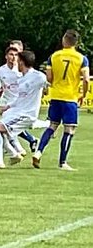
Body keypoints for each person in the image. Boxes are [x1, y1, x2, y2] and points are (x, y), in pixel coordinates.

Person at [32, 30, 90, 170]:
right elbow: (86, 79)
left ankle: (38, 152)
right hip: (70, 97)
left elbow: (49, 78)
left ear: (64, 41)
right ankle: (63, 162)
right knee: (69, 129)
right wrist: (83, 94)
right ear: (76, 43)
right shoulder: (81, 58)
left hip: (56, 96)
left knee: (52, 126)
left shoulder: (54, 56)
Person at [0, 50, 47, 168]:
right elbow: (20, 99)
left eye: (18, 61)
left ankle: (2, 160)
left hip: (26, 115)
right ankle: (13, 155)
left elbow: (50, 82)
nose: (16, 63)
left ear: (22, 63)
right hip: (18, 112)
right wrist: (7, 106)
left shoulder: (38, 76)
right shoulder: (22, 79)